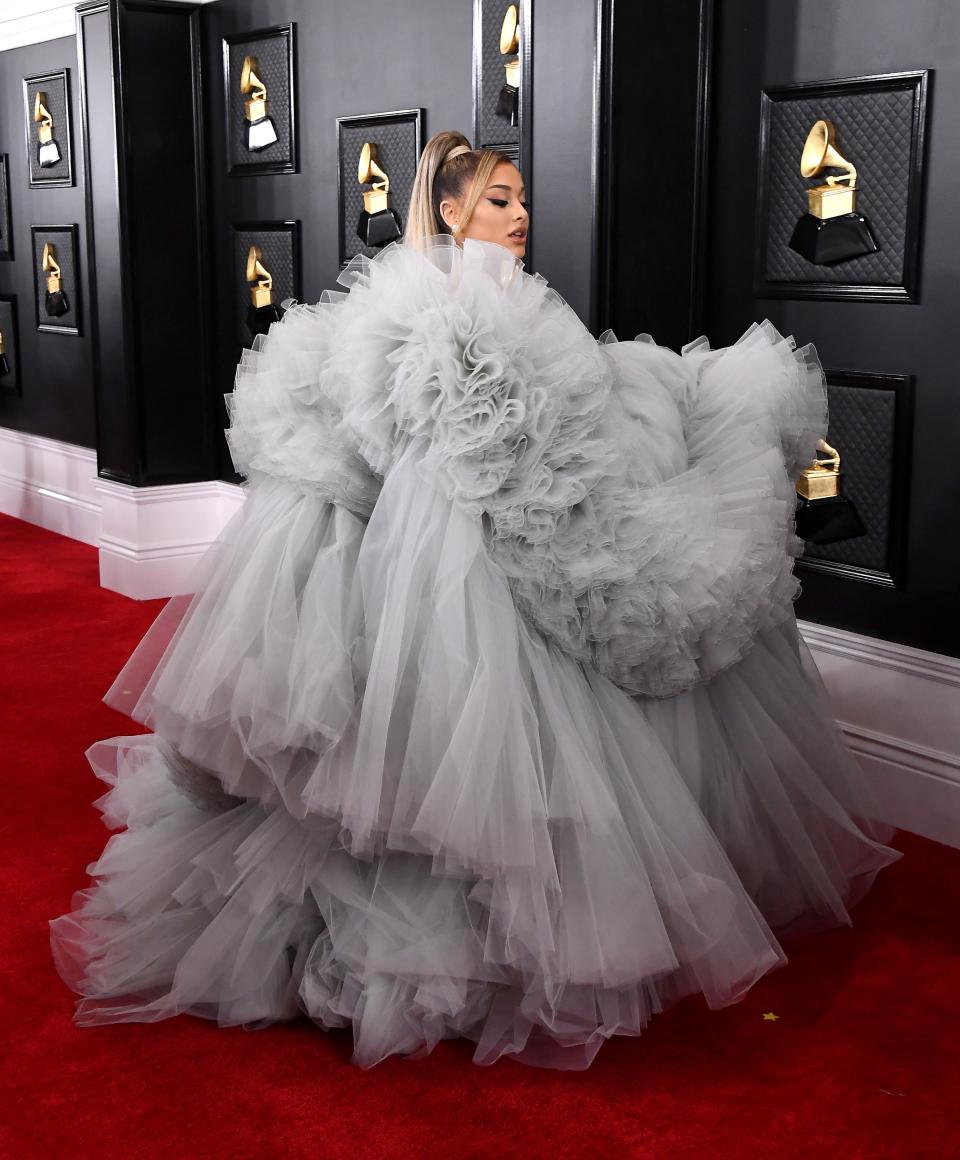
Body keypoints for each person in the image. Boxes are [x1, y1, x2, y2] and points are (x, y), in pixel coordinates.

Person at [49, 130, 904, 1071]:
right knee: (454, 750)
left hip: (495, 519)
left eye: (522, 197)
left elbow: (561, 412)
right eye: (499, 199)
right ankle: (431, 940)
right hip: (449, 554)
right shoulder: (443, 308)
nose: (520, 213)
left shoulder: (507, 305)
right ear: (451, 212)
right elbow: (442, 438)